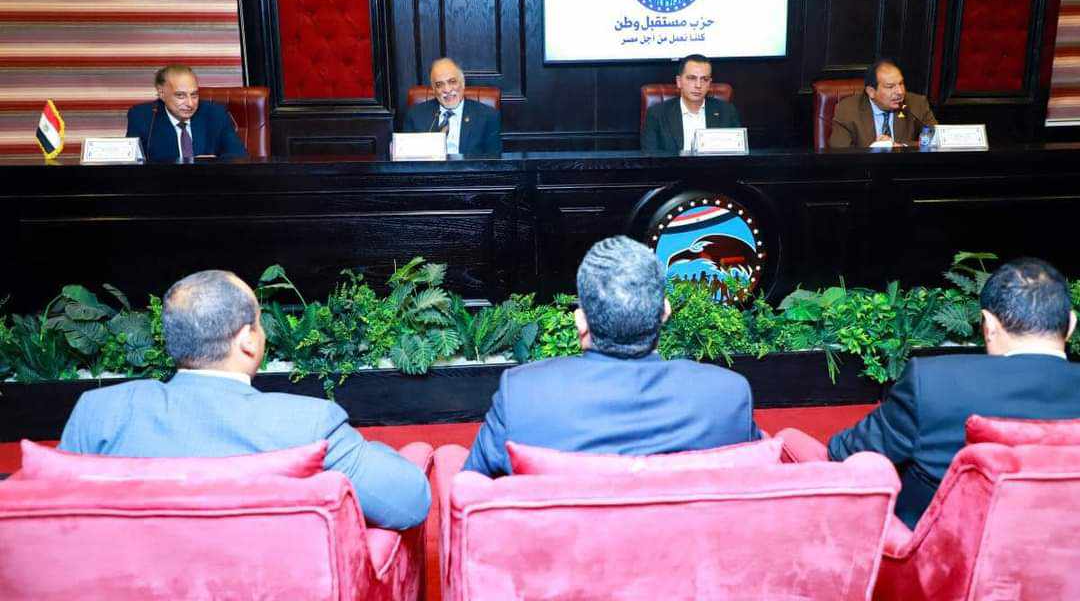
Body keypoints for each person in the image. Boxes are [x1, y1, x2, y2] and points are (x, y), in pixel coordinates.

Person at [59, 270, 431, 531]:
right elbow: (409, 502)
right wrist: (377, 450)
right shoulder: (309, 425)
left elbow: (56, 519)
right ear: (248, 340)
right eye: (259, 322)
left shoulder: (98, 413)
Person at [463, 235, 761, 477]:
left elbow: (472, 492)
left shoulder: (523, 395)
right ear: (665, 313)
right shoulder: (728, 395)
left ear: (581, 322)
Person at [828, 257, 1080, 528]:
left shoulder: (932, 382)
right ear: (1071, 324)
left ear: (988, 325)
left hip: (941, 550)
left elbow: (848, 453)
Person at [126, 64, 248, 162]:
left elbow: (239, 156)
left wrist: (213, 163)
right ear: (162, 93)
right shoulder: (142, 117)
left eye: (194, 95)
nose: (190, 103)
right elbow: (130, 163)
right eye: (180, 95)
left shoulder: (216, 114)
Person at [641, 54, 741, 153]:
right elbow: (650, 157)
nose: (698, 85)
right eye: (692, 78)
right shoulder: (657, 114)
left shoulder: (727, 112)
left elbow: (738, 154)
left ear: (709, 83)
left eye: (704, 79)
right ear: (679, 81)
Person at [828, 58, 938, 148]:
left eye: (901, 84)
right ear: (871, 92)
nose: (900, 92)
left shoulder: (917, 104)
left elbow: (938, 140)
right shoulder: (847, 110)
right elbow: (840, 152)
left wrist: (901, 147)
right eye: (890, 87)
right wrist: (873, 150)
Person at [401, 57, 502, 155]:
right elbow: (407, 159)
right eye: (439, 84)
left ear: (462, 83)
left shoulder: (488, 117)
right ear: (434, 89)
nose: (447, 90)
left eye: (452, 82)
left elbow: (493, 161)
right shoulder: (415, 116)